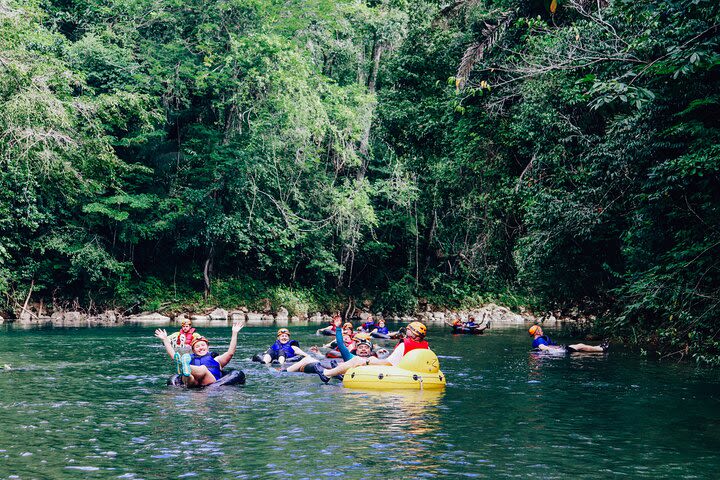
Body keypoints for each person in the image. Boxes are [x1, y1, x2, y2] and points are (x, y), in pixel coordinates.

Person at [313, 321, 429, 383]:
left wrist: (369, 361)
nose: (363, 349)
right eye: (361, 347)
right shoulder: (426, 347)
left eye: (408, 330)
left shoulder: (404, 345)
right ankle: (336, 372)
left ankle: (327, 374)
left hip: (399, 373)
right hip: (412, 372)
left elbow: (389, 363)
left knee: (357, 360)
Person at [155, 321, 244, 387]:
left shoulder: (216, 359)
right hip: (192, 383)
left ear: (207, 347)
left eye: (202, 345)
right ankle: (185, 369)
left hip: (209, 381)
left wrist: (234, 333)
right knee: (189, 376)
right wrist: (165, 339)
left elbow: (230, 352)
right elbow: (173, 355)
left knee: (203, 369)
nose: (200, 347)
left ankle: (184, 366)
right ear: (193, 350)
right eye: (197, 346)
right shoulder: (189, 357)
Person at [528, 325, 609, 353]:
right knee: (580, 346)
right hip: (560, 351)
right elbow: (542, 347)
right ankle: (601, 348)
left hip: (559, 351)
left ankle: (598, 347)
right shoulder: (539, 340)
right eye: (540, 330)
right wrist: (555, 350)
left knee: (580, 350)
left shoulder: (536, 341)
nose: (542, 331)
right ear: (537, 332)